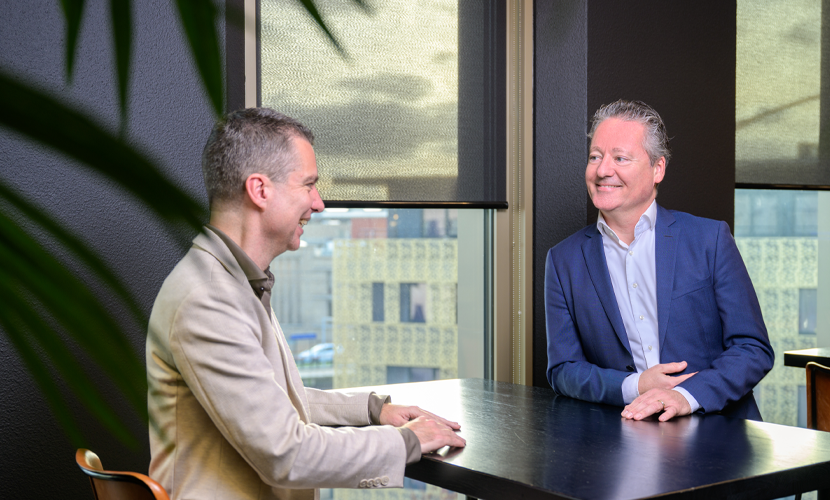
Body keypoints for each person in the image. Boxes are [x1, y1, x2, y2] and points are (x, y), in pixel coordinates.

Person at [146, 108, 465, 500]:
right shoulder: (207, 299)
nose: (319, 203)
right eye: (309, 185)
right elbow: (287, 454)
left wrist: (372, 410)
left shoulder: (234, 281)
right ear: (260, 190)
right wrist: (405, 442)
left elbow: (271, 400)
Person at [544, 100, 774, 422]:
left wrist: (683, 396)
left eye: (620, 158)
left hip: (720, 435)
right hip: (622, 443)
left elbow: (753, 349)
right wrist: (635, 385)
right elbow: (563, 371)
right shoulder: (563, 261)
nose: (602, 170)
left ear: (657, 170)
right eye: (595, 156)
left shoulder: (710, 239)